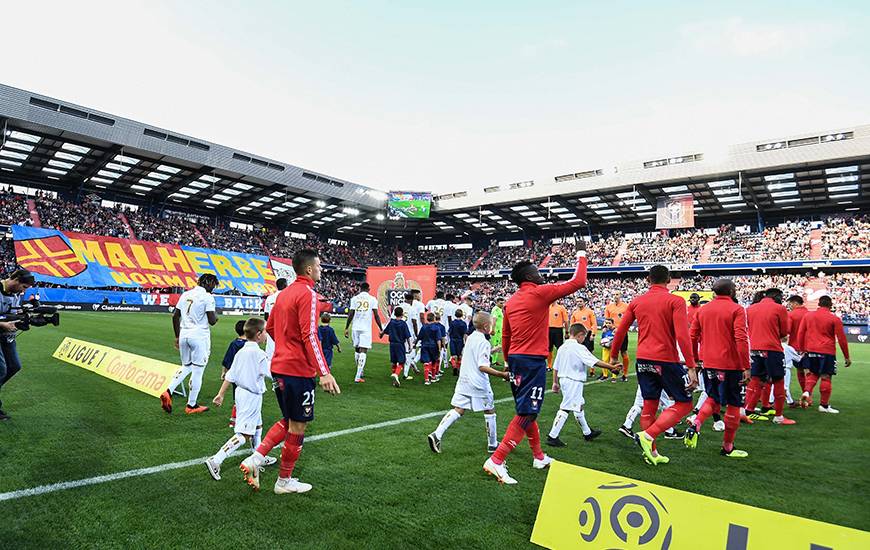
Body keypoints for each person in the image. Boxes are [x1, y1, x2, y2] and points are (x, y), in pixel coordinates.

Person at [483, 239, 587, 485]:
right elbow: (579, 282)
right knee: (527, 413)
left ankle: (539, 456)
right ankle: (496, 460)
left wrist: (508, 362)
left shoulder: (511, 302)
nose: (541, 274)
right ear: (529, 275)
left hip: (517, 360)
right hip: (532, 361)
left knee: (526, 410)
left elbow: (506, 336)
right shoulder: (540, 293)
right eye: (538, 271)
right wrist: (581, 253)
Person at [239, 249, 340, 495]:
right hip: (297, 371)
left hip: (279, 367)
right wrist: (324, 371)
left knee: (289, 420)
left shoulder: (283, 294)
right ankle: (284, 481)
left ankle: (256, 458)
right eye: (319, 266)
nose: (321, 270)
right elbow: (310, 335)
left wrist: (286, 347)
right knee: (299, 425)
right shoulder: (308, 294)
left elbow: (270, 327)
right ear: (308, 269)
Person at [609, 265, 697, 466]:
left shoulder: (637, 301)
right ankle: (648, 437)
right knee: (684, 404)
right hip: (665, 359)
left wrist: (614, 356)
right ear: (669, 280)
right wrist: (691, 366)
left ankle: (652, 453)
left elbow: (621, 331)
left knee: (650, 404)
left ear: (648, 279)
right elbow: (683, 335)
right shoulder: (675, 300)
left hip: (643, 360)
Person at [684, 279, 752, 458]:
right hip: (731, 364)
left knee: (713, 397)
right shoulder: (737, 309)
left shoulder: (703, 310)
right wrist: (746, 365)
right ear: (731, 291)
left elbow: (692, 336)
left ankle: (697, 422)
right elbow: (741, 338)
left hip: (709, 363)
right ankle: (728, 446)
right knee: (734, 403)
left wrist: (695, 360)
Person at [427, 312, 507, 454]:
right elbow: (482, 366)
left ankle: (437, 434)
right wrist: (502, 374)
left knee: (459, 409)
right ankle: (493, 444)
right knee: (489, 410)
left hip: (464, 381)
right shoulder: (483, 341)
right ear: (486, 326)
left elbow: (473, 355)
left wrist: (493, 349)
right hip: (478, 383)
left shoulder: (471, 338)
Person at [206, 318, 275, 480]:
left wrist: (221, 394)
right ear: (258, 335)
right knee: (244, 435)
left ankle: (258, 457)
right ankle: (216, 460)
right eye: (265, 331)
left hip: (242, 394)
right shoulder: (259, 354)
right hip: (251, 396)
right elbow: (272, 373)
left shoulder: (241, 351)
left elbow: (230, 375)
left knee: (258, 426)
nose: (267, 334)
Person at [547, 324, 619, 447]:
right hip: (573, 381)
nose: (583, 339)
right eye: (583, 337)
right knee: (566, 407)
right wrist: (612, 367)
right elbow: (594, 361)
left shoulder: (562, 347)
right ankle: (552, 436)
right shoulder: (579, 348)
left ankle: (587, 433)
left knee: (579, 405)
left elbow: (555, 367)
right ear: (580, 335)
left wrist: (555, 382)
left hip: (565, 379)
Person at [161, 274, 219, 415]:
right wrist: (216, 316)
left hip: (184, 334)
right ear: (209, 283)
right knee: (198, 370)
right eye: (214, 285)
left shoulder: (186, 294)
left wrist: (177, 336)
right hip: (199, 336)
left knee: (186, 366)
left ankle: (168, 391)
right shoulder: (207, 297)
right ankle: (191, 406)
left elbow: (175, 316)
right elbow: (212, 320)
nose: (214, 288)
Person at [743, 288, 794, 425]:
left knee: (756, 380)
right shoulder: (779, 308)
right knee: (778, 381)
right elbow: (784, 332)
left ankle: (748, 410)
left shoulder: (750, 308)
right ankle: (779, 416)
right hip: (772, 348)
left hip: (754, 348)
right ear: (777, 296)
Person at [797, 295, 851, 413]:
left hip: (810, 350)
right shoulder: (834, 319)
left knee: (812, 375)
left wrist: (801, 349)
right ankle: (824, 405)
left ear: (819, 304)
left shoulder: (808, 316)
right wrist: (846, 356)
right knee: (826, 377)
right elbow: (841, 339)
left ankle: (807, 392)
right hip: (827, 351)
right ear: (830, 305)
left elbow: (800, 333)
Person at [0, 269, 35, 421]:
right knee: (1, 370)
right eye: (24, 287)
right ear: (16, 280)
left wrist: (23, 319)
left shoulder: (15, 294)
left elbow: (13, 313)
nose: (24, 291)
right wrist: (2, 324)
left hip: (7, 337)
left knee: (14, 366)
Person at [345, 282, 383, 383]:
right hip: (365, 328)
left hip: (355, 327)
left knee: (357, 349)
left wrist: (346, 327)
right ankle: (358, 376)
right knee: (363, 350)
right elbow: (376, 315)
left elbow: (351, 314)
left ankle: (360, 371)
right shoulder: (372, 299)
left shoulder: (354, 299)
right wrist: (381, 328)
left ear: (360, 289)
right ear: (368, 289)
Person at [220, 320, 247, 428]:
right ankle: (240, 418)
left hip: (235, 375)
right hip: (247, 375)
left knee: (237, 396)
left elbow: (227, 359)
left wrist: (224, 372)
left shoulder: (234, 343)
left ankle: (233, 419)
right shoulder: (250, 345)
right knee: (246, 398)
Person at [380, 307, 412, 387]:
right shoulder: (403, 323)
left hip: (392, 344)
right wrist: (410, 346)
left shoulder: (392, 322)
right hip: (400, 344)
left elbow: (385, 331)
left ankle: (394, 379)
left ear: (394, 314)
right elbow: (407, 336)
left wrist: (381, 334)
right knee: (401, 362)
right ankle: (396, 374)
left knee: (394, 362)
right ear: (402, 314)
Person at [785, 295, 810, 396]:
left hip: (795, 347)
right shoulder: (809, 314)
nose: (789, 306)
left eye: (790, 303)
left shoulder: (791, 315)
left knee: (799, 370)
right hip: (809, 347)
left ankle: (804, 392)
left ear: (795, 303)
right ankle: (808, 394)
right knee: (808, 371)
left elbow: (787, 330)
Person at [604, 291, 631, 382]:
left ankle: (625, 373)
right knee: (612, 354)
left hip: (622, 333)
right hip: (611, 334)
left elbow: (628, 320)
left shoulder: (626, 306)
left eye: (617, 294)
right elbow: (606, 320)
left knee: (624, 353)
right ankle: (613, 372)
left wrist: (619, 328)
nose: (615, 296)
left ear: (620, 295)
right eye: (614, 294)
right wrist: (605, 328)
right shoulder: (609, 307)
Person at [263, 278, 288, 361]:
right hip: (284, 326)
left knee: (271, 347)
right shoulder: (288, 297)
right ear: (285, 285)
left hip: (272, 325)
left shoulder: (270, 298)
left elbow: (266, 315)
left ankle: (269, 367)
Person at [418, 312, 444, 385]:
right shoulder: (436, 328)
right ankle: (433, 377)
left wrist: (415, 342)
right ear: (434, 318)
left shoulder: (424, 327)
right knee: (434, 361)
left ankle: (426, 380)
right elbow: (438, 339)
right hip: (433, 346)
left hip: (425, 346)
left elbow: (420, 336)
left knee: (426, 362)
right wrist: (439, 349)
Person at [401, 292, 421, 379]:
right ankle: (405, 374)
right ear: (411, 300)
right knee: (409, 352)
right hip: (409, 333)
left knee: (404, 352)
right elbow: (414, 323)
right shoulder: (412, 309)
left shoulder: (398, 306)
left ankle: (396, 371)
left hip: (399, 333)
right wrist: (417, 335)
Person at [547, 300, 569, 369]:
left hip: (558, 330)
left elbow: (566, 321)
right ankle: (549, 365)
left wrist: (566, 332)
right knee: (549, 348)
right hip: (548, 329)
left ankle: (561, 365)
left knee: (560, 348)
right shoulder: (547, 307)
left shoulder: (561, 308)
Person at [448, 309, 468, 375]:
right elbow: (465, 334)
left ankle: (454, 366)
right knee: (459, 355)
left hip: (453, 340)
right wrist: (466, 342)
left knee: (454, 355)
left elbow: (449, 332)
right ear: (462, 315)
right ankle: (458, 368)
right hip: (460, 340)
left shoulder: (452, 323)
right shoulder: (463, 323)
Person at [598, 318, 618, 383]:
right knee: (604, 361)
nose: (608, 324)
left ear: (613, 323)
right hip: (605, 349)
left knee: (613, 361)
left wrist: (612, 344)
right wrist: (602, 343)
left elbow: (617, 339)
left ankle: (614, 376)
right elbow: (602, 339)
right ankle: (605, 375)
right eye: (606, 323)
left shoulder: (615, 330)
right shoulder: (605, 331)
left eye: (609, 323)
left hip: (613, 349)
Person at [490, 297, 506, 366]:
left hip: (499, 331)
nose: (502, 304)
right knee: (495, 345)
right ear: (496, 302)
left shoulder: (499, 310)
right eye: (501, 303)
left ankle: (494, 360)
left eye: (503, 303)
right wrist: (493, 329)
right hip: (496, 331)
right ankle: (492, 360)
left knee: (498, 345)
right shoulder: (496, 309)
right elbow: (494, 319)